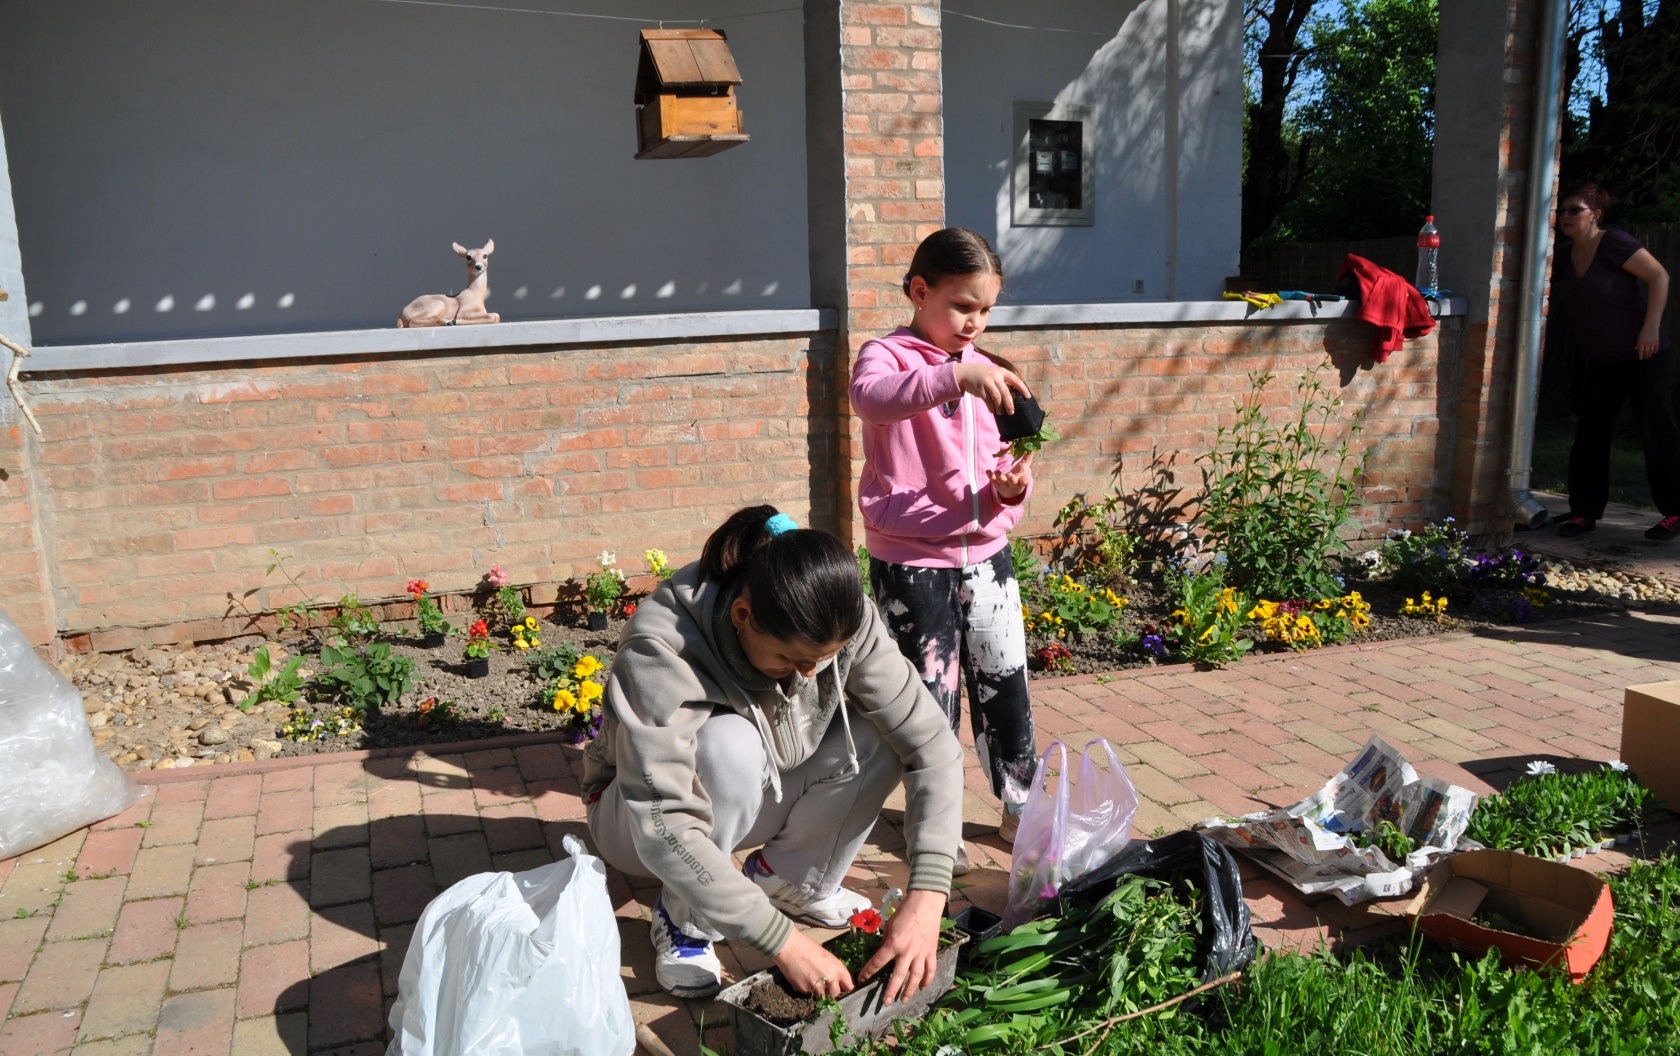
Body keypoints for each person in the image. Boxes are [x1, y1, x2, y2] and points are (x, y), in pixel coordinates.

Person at [583, 505, 965, 1004]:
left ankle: (791, 879)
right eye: (792, 659)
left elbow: (932, 743)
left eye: (824, 660)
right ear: (742, 616)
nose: (810, 674)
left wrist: (929, 895)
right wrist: (783, 942)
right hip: (636, 819)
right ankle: (686, 920)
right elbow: (664, 824)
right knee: (728, 746)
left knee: (880, 735)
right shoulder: (663, 647)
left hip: (755, 788)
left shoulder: (841, 614)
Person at [848, 227, 1039, 854]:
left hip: (988, 559)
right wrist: (955, 376)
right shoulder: (886, 357)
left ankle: (1021, 808)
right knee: (928, 702)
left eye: (986, 310)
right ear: (919, 291)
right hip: (912, 564)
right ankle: (935, 828)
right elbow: (872, 401)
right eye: (962, 306)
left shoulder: (990, 372)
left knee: (1006, 685)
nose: (975, 323)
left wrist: (1012, 490)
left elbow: (1009, 460)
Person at [1551, 182, 1679, 542]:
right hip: (1602, 359)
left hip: (1645, 353)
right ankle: (1584, 512)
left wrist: (1650, 328)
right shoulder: (1563, 256)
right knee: (1590, 434)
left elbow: (1659, 276)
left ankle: (1675, 512)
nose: (1565, 216)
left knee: (1656, 430)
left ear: (1596, 214)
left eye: (1574, 210)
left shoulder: (1615, 243)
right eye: (1562, 210)